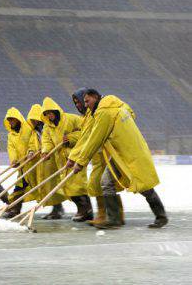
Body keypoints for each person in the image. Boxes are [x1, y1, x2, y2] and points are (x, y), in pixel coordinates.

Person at [69, 89, 168, 229]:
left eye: (87, 101)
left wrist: (80, 161)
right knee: (107, 182)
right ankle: (114, 219)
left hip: (130, 154)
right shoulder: (117, 106)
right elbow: (132, 115)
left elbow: (94, 140)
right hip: (122, 154)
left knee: (143, 186)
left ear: (96, 98)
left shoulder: (104, 113)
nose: (85, 105)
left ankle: (160, 216)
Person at [68, 88, 125, 226]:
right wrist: (74, 157)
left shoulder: (96, 114)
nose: (78, 105)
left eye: (80, 101)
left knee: (101, 184)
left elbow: (89, 138)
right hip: (97, 156)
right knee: (99, 184)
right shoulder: (88, 116)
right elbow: (85, 137)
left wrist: (76, 158)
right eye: (75, 103)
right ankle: (109, 215)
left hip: (104, 154)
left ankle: (110, 215)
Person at [41, 97, 92, 222]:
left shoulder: (71, 119)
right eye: (46, 114)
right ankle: (83, 210)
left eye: (50, 112)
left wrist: (70, 138)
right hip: (61, 159)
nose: (49, 116)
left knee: (78, 185)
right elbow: (47, 141)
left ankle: (86, 210)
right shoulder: (48, 127)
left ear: (56, 110)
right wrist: (46, 151)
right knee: (68, 187)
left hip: (75, 156)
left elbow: (87, 132)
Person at [26, 104, 66, 219]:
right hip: (44, 161)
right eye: (31, 120)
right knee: (49, 185)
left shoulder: (47, 127)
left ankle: (59, 209)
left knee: (55, 184)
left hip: (52, 159)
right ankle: (56, 208)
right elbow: (32, 144)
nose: (33, 121)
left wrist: (45, 149)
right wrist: (31, 151)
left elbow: (51, 141)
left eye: (34, 119)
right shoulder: (35, 131)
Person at [2, 107, 35, 218]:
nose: (11, 122)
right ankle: (14, 209)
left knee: (44, 186)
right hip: (23, 166)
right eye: (9, 120)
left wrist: (31, 151)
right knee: (19, 187)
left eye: (12, 119)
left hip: (34, 163)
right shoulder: (10, 135)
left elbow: (33, 141)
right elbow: (11, 149)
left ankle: (57, 207)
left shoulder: (28, 129)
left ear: (18, 119)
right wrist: (14, 160)